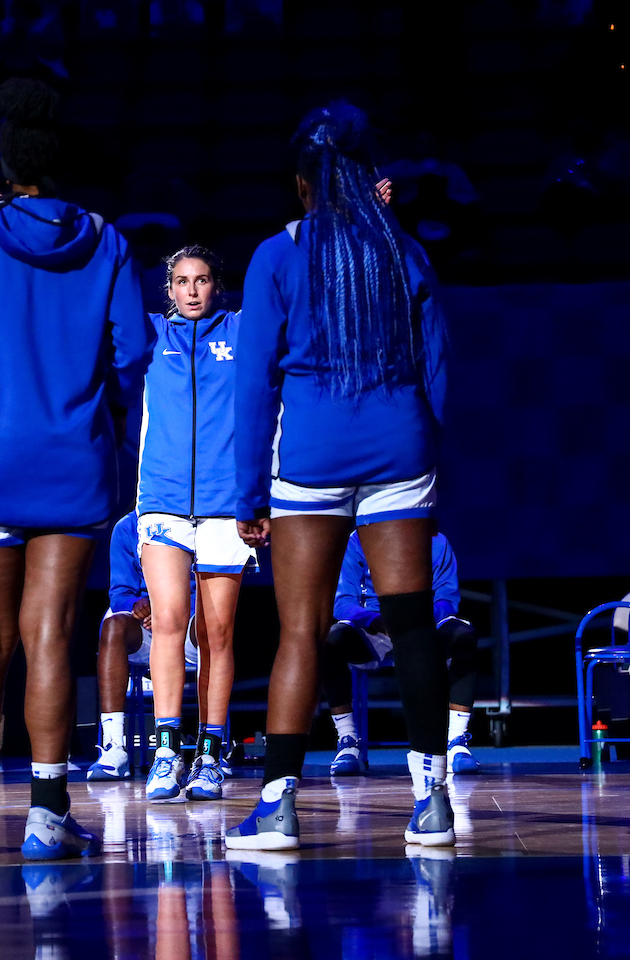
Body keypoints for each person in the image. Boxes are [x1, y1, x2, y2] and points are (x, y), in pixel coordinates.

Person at [0, 78, 151, 860]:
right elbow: (134, 355)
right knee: (49, 637)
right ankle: (48, 816)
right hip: (72, 468)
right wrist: (109, 417)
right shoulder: (109, 239)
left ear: (6, 158)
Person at [229, 101, 452, 850]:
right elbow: (439, 363)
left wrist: (246, 492)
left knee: (299, 631)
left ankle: (280, 806)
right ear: (367, 175)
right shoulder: (403, 248)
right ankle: (433, 805)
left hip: (312, 458)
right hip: (399, 450)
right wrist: (428, 446)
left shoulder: (278, 253)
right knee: (414, 625)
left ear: (302, 184)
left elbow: (253, 384)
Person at [137, 244, 256, 802]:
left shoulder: (243, 330)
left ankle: (209, 755)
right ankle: (166, 751)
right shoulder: (150, 339)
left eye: (202, 280)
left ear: (217, 286)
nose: (191, 290)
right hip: (162, 501)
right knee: (169, 621)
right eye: (181, 280)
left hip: (226, 507)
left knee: (216, 632)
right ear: (168, 289)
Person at [322, 529, 480, 776]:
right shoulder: (356, 540)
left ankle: (456, 742)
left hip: (423, 626)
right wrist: (375, 620)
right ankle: (348, 742)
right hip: (373, 629)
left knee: (464, 636)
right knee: (332, 640)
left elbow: (447, 599)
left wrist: (420, 621)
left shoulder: (436, 541)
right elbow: (343, 602)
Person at [86, 509, 197, 782]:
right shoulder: (127, 527)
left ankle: (209, 753)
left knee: (214, 625)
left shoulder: (197, 520)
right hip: (147, 629)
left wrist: (169, 610)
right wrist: (136, 607)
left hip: (189, 625)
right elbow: (120, 593)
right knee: (113, 625)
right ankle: (114, 747)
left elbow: (210, 589)